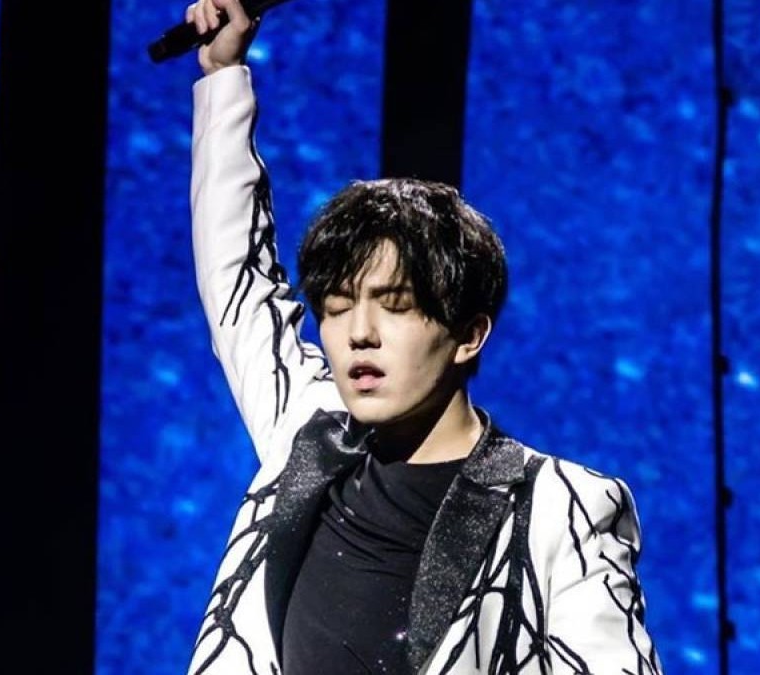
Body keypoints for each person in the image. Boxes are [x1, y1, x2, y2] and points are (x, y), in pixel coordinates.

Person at [181, 0, 663, 672]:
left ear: (468, 334)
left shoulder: (562, 507)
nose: (359, 334)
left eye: (396, 306)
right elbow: (237, 281)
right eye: (338, 307)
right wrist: (223, 76)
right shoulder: (306, 435)